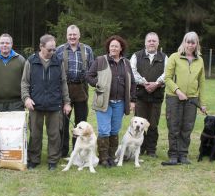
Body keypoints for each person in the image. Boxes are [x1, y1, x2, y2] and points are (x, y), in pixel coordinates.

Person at [21, 34, 72, 170]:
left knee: (54, 134)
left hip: (54, 104)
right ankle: (34, 159)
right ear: (41, 47)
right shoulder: (30, 61)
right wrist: (26, 98)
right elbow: (25, 83)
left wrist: (67, 102)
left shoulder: (58, 61)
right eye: (49, 49)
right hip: (35, 105)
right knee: (35, 134)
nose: (52, 52)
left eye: (54, 49)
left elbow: (63, 83)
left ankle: (53, 160)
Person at [86, 35, 136, 167]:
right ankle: (103, 158)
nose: (113, 48)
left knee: (114, 130)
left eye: (116, 46)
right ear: (108, 47)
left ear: (121, 48)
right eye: (111, 46)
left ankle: (111, 157)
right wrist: (98, 83)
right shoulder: (101, 60)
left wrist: (132, 100)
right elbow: (89, 76)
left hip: (120, 103)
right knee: (104, 130)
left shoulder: (126, 63)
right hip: (104, 102)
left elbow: (133, 83)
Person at [161, 31, 207, 166]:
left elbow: (202, 82)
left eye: (193, 42)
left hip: (192, 99)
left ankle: (183, 154)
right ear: (184, 42)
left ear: (196, 44)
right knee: (174, 126)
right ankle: (173, 155)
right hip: (174, 98)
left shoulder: (200, 60)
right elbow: (167, 78)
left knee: (187, 127)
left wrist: (202, 103)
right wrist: (178, 91)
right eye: (188, 42)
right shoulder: (174, 57)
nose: (190, 45)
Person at [56, 25, 94, 157]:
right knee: (63, 122)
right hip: (64, 89)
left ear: (79, 35)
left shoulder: (87, 49)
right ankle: (63, 151)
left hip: (81, 88)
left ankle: (77, 151)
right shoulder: (59, 50)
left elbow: (92, 70)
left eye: (74, 35)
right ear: (66, 35)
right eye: (70, 35)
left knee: (81, 122)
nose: (72, 37)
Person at [130, 32, 168, 157]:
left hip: (156, 96)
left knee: (153, 123)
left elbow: (168, 73)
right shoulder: (136, 56)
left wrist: (157, 83)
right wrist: (145, 83)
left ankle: (151, 150)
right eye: (149, 40)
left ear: (158, 43)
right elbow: (132, 72)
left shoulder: (164, 57)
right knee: (138, 124)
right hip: (140, 95)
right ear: (145, 42)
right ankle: (139, 148)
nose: (151, 43)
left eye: (154, 41)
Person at [0, 33, 26, 147]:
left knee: (16, 129)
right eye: (2, 43)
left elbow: (26, 81)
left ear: (11, 44)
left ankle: (16, 154)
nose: (5, 45)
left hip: (17, 102)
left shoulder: (21, 60)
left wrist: (26, 98)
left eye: (7, 43)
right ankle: (1, 153)